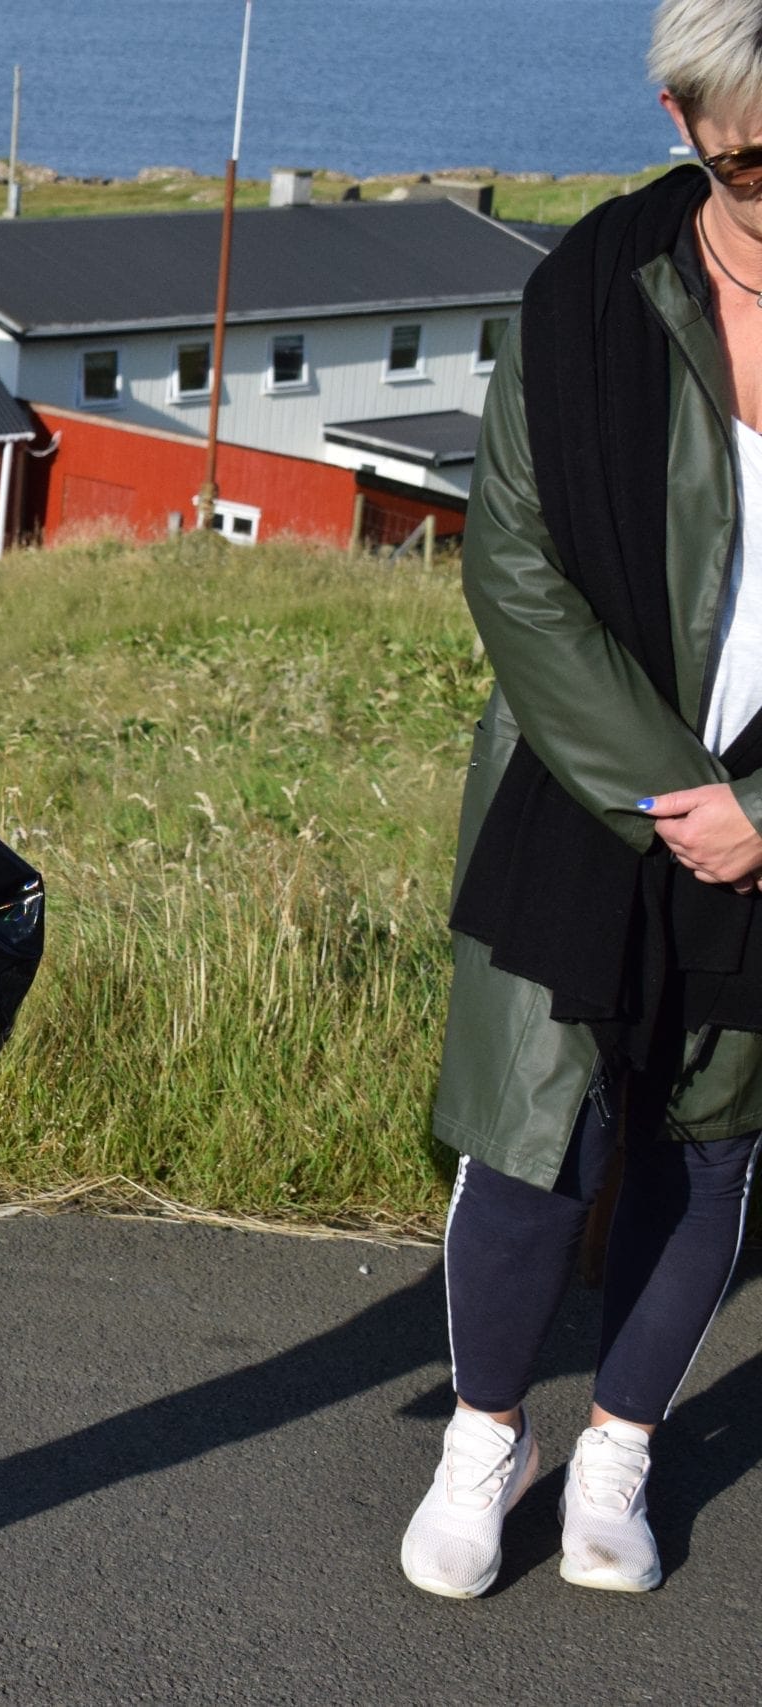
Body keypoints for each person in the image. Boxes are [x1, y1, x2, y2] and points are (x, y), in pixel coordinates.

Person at [408, 0, 762, 1602]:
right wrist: (679, 798)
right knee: (532, 1142)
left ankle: (619, 1447)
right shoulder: (587, 294)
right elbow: (514, 565)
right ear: (686, 122)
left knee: (711, 1145)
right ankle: (484, 1440)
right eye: (755, 160)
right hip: (582, 797)